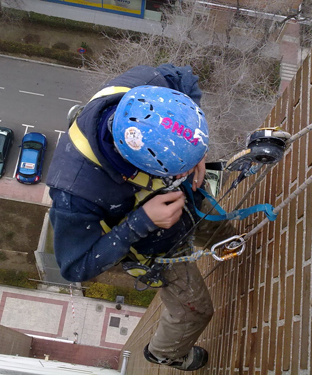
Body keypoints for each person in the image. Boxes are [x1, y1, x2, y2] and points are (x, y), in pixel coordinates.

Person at [46, 64, 235, 371]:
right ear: (134, 162)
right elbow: (75, 266)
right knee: (195, 310)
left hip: (184, 199)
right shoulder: (76, 193)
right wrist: (143, 221)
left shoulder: (142, 89)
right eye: (173, 168)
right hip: (153, 242)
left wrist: (192, 147)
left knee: (220, 228)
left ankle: (228, 250)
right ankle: (166, 354)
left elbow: (185, 77)